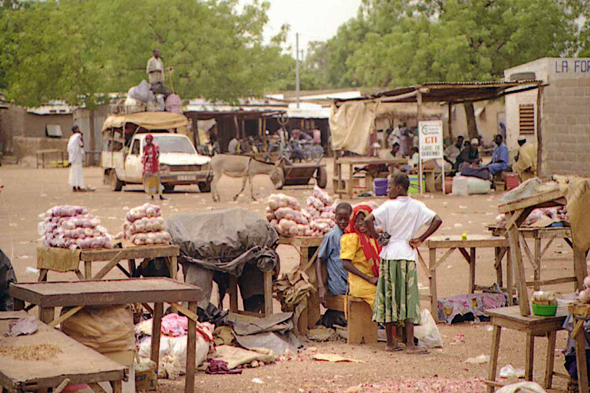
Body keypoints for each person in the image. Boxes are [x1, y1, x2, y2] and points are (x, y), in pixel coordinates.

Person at [365, 173, 442, 354]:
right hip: (407, 255)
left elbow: (368, 220)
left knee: (389, 297)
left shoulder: (388, 206)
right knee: (409, 298)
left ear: (399, 187)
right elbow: (437, 220)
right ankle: (409, 344)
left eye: (390, 186)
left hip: (389, 254)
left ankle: (390, 342)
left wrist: (378, 238)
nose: (388, 189)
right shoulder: (417, 206)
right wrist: (420, 238)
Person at [316, 203, 353, 326]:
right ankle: (329, 318)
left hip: (351, 282)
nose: (342, 222)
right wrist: (321, 286)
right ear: (335, 218)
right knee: (346, 319)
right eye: (339, 218)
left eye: (346, 219)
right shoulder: (331, 237)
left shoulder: (353, 236)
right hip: (338, 284)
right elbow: (319, 259)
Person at [340, 205, 381, 310]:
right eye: (357, 221)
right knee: (382, 298)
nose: (360, 223)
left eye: (364, 219)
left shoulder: (372, 238)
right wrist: (369, 278)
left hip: (374, 280)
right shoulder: (352, 238)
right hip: (362, 283)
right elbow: (345, 263)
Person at [141, 134, 165, 200]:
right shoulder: (145, 147)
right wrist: (146, 158)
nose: (148, 141)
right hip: (148, 168)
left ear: (151, 140)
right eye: (147, 139)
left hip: (155, 167)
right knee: (151, 182)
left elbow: (157, 155)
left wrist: (155, 156)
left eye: (149, 139)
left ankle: (160, 195)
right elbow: (143, 157)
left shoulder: (155, 147)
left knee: (158, 182)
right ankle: (152, 196)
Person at [67, 125, 86, 192]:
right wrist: (82, 136)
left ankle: (74, 187)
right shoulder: (78, 136)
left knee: (73, 172)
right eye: (77, 128)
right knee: (78, 172)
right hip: (77, 157)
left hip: (73, 157)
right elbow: (81, 144)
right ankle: (78, 186)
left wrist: (70, 160)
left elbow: (70, 148)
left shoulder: (71, 137)